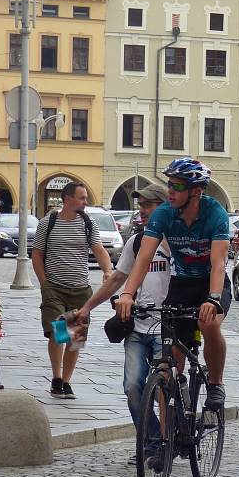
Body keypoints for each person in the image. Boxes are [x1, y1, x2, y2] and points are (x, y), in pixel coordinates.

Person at [115, 158, 231, 411]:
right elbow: (143, 259)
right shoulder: (164, 214)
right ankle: (177, 399)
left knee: (207, 322)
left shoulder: (215, 214)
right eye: (169, 184)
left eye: (177, 187)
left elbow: (219, 263)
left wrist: (212, 298)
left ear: (196, 192)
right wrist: (127, 294)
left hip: (211, 281)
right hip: (182, 282)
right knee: (172, 350)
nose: (170, 190)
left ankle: (215, 383)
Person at [73, 184, 171, 462]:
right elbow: (117, 278)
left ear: (164, 207)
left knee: (165, 384)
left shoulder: (176, 241)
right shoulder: (137, 242)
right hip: (138, 326)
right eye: (141, 206)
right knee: (132, 387)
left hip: (167, 325)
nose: (142, 211)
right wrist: (88, 307)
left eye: (148, 206)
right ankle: (151, 440)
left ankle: (166, 441)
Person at [32, 182, 113, 399]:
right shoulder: (47, 223)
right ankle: (56, 377)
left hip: (80, 289)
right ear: (67, 198)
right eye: (82, 198)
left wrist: (107, 270)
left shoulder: (88, 223)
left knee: (75, 338)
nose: (85, 202)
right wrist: (44, 282)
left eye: (85, 198)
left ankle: (66, 381)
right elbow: (37, 254)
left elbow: (99, 249)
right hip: (54, 287)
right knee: (58, 330)